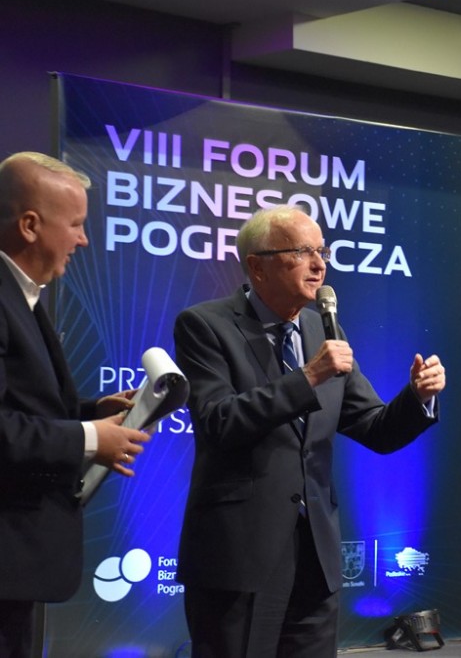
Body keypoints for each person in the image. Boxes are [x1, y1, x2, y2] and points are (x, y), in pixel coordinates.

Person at [173, 204, 445, 657]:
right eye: (303, 252)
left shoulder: (322, 329)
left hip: (316, 555)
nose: (319, 264)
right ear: (258, 266)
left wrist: (417, 398)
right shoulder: (205, 325)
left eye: (323, 251)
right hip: (239, 555)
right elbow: (220, 422)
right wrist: (308, 377)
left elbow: (375, 428)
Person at [0, 152, 153, 657]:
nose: (84, 240)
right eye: (76, 225)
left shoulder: (23, 294)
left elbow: (21, 404)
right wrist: (90, 439)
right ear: (30, 226)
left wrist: (91, 412)